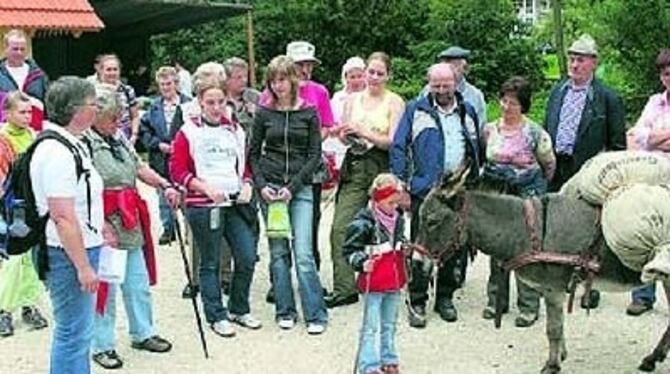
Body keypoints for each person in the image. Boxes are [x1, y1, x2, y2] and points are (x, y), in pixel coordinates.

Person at [85, 83, 175, 369]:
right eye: (113, 117)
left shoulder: (120, 137)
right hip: (104, 220)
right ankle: (102, 345)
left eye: (119, 117)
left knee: (137, 283)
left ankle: (143, 333)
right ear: (95, 116)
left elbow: (138, 167)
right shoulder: (83, 142)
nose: (118, 122)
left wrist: (163, 183)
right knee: (106, 289)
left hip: (130, 218)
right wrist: (99, 225)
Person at [390, 63, 481, 327]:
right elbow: (398, 148)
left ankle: (445, 298)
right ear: (429, 84)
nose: (441, 90)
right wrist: (403, 185)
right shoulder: (415, 110)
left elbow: (477, 148)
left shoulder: (468, 110)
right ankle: (417, 300)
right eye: (436, 85)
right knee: (422, 247)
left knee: (455, 246)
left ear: (456, 83)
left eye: (446, 84)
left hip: (458, 191)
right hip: (425, 190)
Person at [171, 74, 262, 338]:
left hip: (234, 202)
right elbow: (177, 170)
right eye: (210, 102)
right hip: (205, 204)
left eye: (220, 101)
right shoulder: (188, 131)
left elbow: (244, 165)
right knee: (210, 261)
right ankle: (215, 314)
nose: (216, 107)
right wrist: (202, 186)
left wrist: (247, 182)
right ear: (200, 102)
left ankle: (238, 307)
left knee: (246, 255)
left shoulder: (235, 130)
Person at [544, 34, 625, 309]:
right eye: (572, 59)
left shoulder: (607, 98)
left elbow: (617, 145)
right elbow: (546, 129)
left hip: (589, 171)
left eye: (580, 60)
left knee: (588, 228)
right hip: (558, 165)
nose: (574, 65)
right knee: (555, 223)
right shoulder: (558, 91)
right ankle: (558, 277)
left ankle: (590, 283)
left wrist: (605, 174)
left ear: (593, 63)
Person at [249, 55, 328, 334]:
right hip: (269, 189)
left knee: (304, 253)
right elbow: (253, 154)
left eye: (282, 79)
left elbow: (314, 154)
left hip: (300, 189)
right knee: (278, 252)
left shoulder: (309, 112)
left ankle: (316, 312)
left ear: (293, 80)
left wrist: (292, 187)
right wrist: (261, 186)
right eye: (273, 80)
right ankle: (285, 309)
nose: (278, 85)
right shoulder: (263, 113)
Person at [32, 76, 105, 374]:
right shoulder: (59, 152)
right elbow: (62, 216)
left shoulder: (66, 144)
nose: (96, 109)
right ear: (76, 110)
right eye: (93, 103)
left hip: (73, 248)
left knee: (77, 332)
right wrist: (84, 266)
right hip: (67, 253)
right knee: (74, 332)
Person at [327, 52, 405, 309]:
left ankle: (389, 279)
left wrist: (362, 130)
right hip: (356, 163)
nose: (373, 77)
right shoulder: (352, 100)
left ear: (388, 76)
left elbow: (392, 141)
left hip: (381, 166)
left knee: (388, 228)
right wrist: (344, 134)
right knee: (341, 227)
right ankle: (344, 287)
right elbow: (345, 138)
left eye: (379, 73)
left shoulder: (394, 102)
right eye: (370, 72)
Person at [480, 76, 556, 328]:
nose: (506, 106)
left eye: (512, 102)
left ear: (523, 105)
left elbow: (549, 165)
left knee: (526, 249)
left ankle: (528, 305)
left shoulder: (535, 132)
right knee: (496, 245)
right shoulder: (489, 129)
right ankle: (496, 300)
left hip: (527, 193)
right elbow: (484, 158)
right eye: (503, 100)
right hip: (498, 194)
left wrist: (533, 187)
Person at [344, 173, 406, 374]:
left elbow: (399, 242)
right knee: (370, 326)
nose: (394, 207)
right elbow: (349, 250)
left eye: (397, 202)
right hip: (374, 282)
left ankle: (388, 358)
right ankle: (368, 365)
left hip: (394, 280)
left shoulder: (399, 219)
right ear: (377, 200)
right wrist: (361, 262)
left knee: (389, 323)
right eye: (390, 203)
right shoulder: (363, 222)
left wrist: (405, 248)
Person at [624, 48, 670, 316]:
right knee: (646, 232)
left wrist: (653, 137)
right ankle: (642, 294)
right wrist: (655, 138)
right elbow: (638, 135)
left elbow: (647, 137)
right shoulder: (655, 102)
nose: (669, 79)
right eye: (665, 74)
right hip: (653, 175)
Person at [0, 91, 47, 338]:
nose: (28, 116)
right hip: (8, 206)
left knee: (31, 257)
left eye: (30, 112)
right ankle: (3, 310)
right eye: (22, 112)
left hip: (32, 205)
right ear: (7, 113)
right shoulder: (2, 138)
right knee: (12, 257)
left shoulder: (34, 136)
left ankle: (29, 305)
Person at [138, 66, 191, 246]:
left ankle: (190, 230)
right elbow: (144, 132)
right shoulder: (153, 108)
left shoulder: (189, 105)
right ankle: (169, 228)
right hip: (161, 158)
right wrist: (157, 145)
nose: (166, 88)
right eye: (162, 85)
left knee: (186, 194)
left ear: (176, 83)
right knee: (163, 195)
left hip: (183, 158)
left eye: (169, 83)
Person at [0, 29, 49, 131]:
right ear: (5, 49)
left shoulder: (39, 75)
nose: (19, 52)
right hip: (5, 133)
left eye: (22, 49)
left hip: (35, 131)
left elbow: (48, 103)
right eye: (15, 49)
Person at [436, 46, 487, 127]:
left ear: (464, 68)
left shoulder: (475, 96)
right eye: (444, 67)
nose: (448, 71)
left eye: (453, 66)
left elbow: (480, 129)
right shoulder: (428, 91)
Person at [96, 54, 141, 145]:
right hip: (102, 138)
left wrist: (134, 135)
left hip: (125, 138)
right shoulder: (94, 92)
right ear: (101, 71)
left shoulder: (128, 90)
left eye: (115, 69)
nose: (112, 73)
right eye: (108, 69)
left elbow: (135, 116)